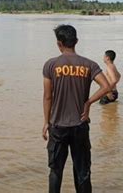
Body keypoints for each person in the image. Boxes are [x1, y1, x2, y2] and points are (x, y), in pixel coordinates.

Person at [42, 24, 110, 193]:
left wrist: (46, 122)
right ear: (76, 41)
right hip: (80, 125)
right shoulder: (89, 64)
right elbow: (106, 86)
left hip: (58, 126)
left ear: (59, 43)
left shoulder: (51, 65)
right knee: (82, 172)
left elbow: (47, 96)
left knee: (55, 171)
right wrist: (88, 103)